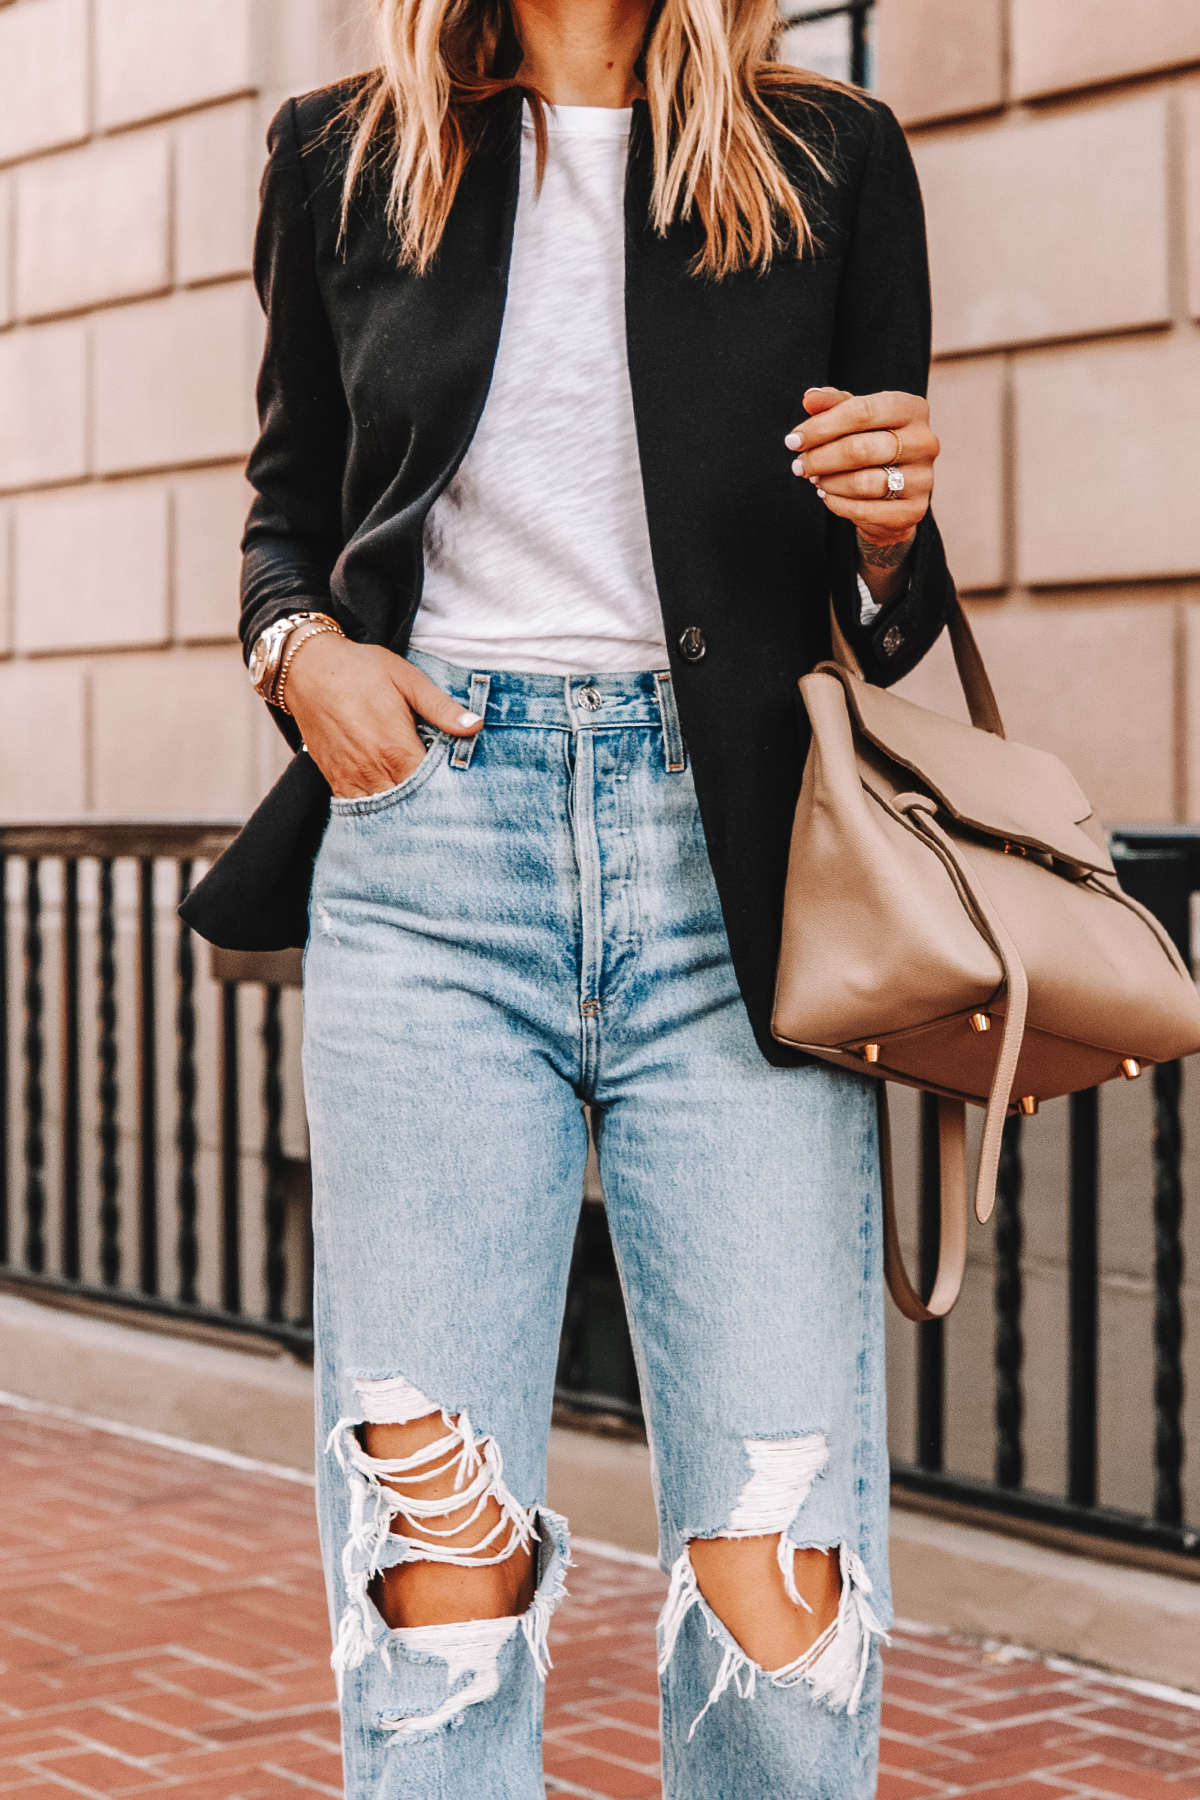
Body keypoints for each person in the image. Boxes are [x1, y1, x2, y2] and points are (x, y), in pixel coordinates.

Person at [184, 0, 953, 1789]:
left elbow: (888, 623)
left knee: (782, 1601)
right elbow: (283, 514)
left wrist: (896, 529)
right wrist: (301, 656)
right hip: (434, 858)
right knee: (433, 1598)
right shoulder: (345, 154)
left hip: (741, 891)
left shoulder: (826, 153)